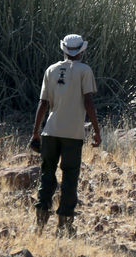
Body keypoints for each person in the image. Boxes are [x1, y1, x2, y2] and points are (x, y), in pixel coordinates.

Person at [30, 34, 102, 235]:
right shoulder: (84, 71)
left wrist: (36, 132)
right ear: (81, 51)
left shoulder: (51, 70)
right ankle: (64, 225)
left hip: (50, 131)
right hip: (72, 133)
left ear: (63, 49)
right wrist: (96, 130)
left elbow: (43, 103)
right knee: (70, 177)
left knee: (47, 175)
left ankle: (40, 222)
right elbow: (88, 102)